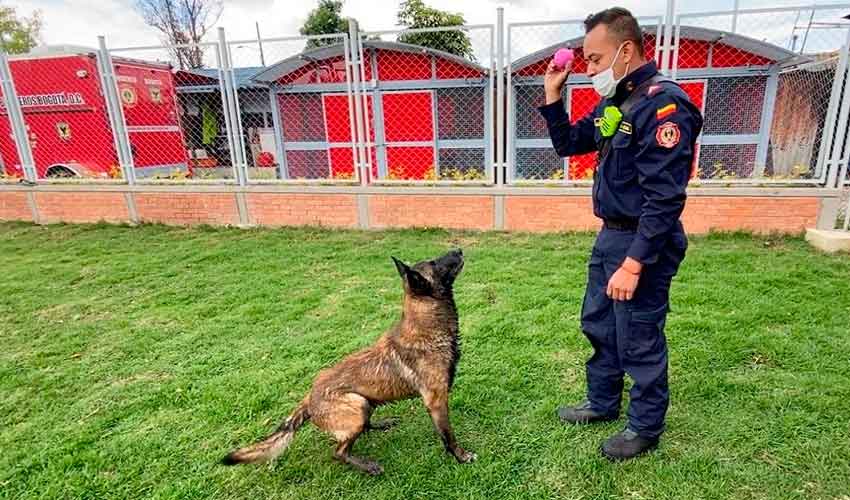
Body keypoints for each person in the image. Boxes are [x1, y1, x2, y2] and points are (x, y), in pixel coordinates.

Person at [537, 7, 703, 461]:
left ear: (626, 51)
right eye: (586, 60)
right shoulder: (619, 101)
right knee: (601, 324)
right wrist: (553, 96)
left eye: (594, 59)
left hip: (643, 241)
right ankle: (603, 402)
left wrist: (634, 263)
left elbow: (665, 200)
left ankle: (645, 425)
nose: (588, 69)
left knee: (639, 333)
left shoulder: (664, 105)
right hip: (611, 235)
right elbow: (570, 143)